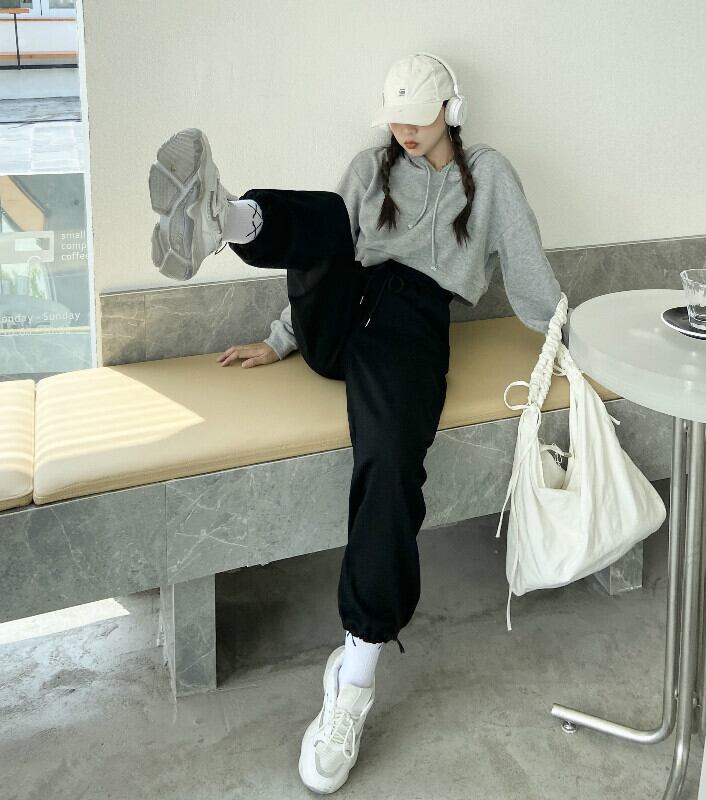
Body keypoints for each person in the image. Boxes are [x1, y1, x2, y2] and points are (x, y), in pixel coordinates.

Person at [148, 52, 570, 794]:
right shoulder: (371, 168)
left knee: (391, 460)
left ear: (452, 110)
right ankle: (228, 217)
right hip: (339, 313)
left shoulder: (491, 174)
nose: (404, 130)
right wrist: (279, 339)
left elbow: (529, 266)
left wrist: (565, 336)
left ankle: (355, 679)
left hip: (410, 324)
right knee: (325, 216)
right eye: (395, 118)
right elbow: (323, 250)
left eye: (419, 117)